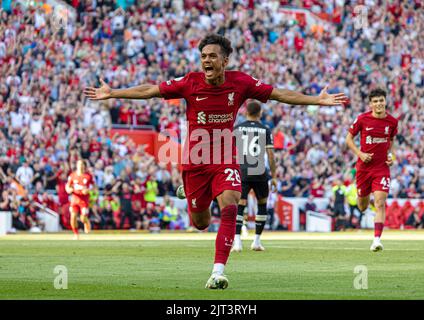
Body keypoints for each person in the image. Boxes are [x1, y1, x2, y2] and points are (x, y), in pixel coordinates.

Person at [84, 34, 347, 289]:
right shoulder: (189, 82)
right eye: (203, 56)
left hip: (225, 158)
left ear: (225, 61)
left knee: (231, 203)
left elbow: (279, 94)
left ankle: (218, 272)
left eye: (212, 56)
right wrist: (114, 92)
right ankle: (191, 191)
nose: (206, 60)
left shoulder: (241, 83)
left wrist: (316, 99)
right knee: (200, 223)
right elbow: (151, 90)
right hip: (196, 162)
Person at [346, 88, 398, 252]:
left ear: (385, 101)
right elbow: (348, 139)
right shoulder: (362, 119)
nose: (378, 104)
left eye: (381, 100)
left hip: (381, 168)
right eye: (375, 101)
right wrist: (360, 154)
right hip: (363, 169)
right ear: (370, 104)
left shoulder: (392, 122)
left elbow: (391, 141)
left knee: (380, 203)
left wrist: (392, 156)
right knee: (362, 205)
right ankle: (364, 197)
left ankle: (376, 239)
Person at [232, 101, 277, 252]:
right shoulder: (265, 130)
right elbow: (271, 155)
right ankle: (256, 241)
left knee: (240, 205)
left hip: (242, 171)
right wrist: (274, 176)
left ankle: (237, 242)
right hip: (259, 172)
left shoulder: (237, 129)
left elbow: (229, 152)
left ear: (246, 112)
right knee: (262, 204)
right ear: (260, 113)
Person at [65, 159, 95, 240]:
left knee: (82, 218)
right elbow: (67, 186)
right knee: (73, 216)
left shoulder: (88, 176)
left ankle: (86, 221)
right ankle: (76, 234)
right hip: (75, 199)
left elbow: (94, 187)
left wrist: (88, 190)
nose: (80, 166)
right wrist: (68, 190)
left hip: (84, 201)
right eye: (79, 164)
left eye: (82, 164)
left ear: (84, 166)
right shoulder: (72, 175)